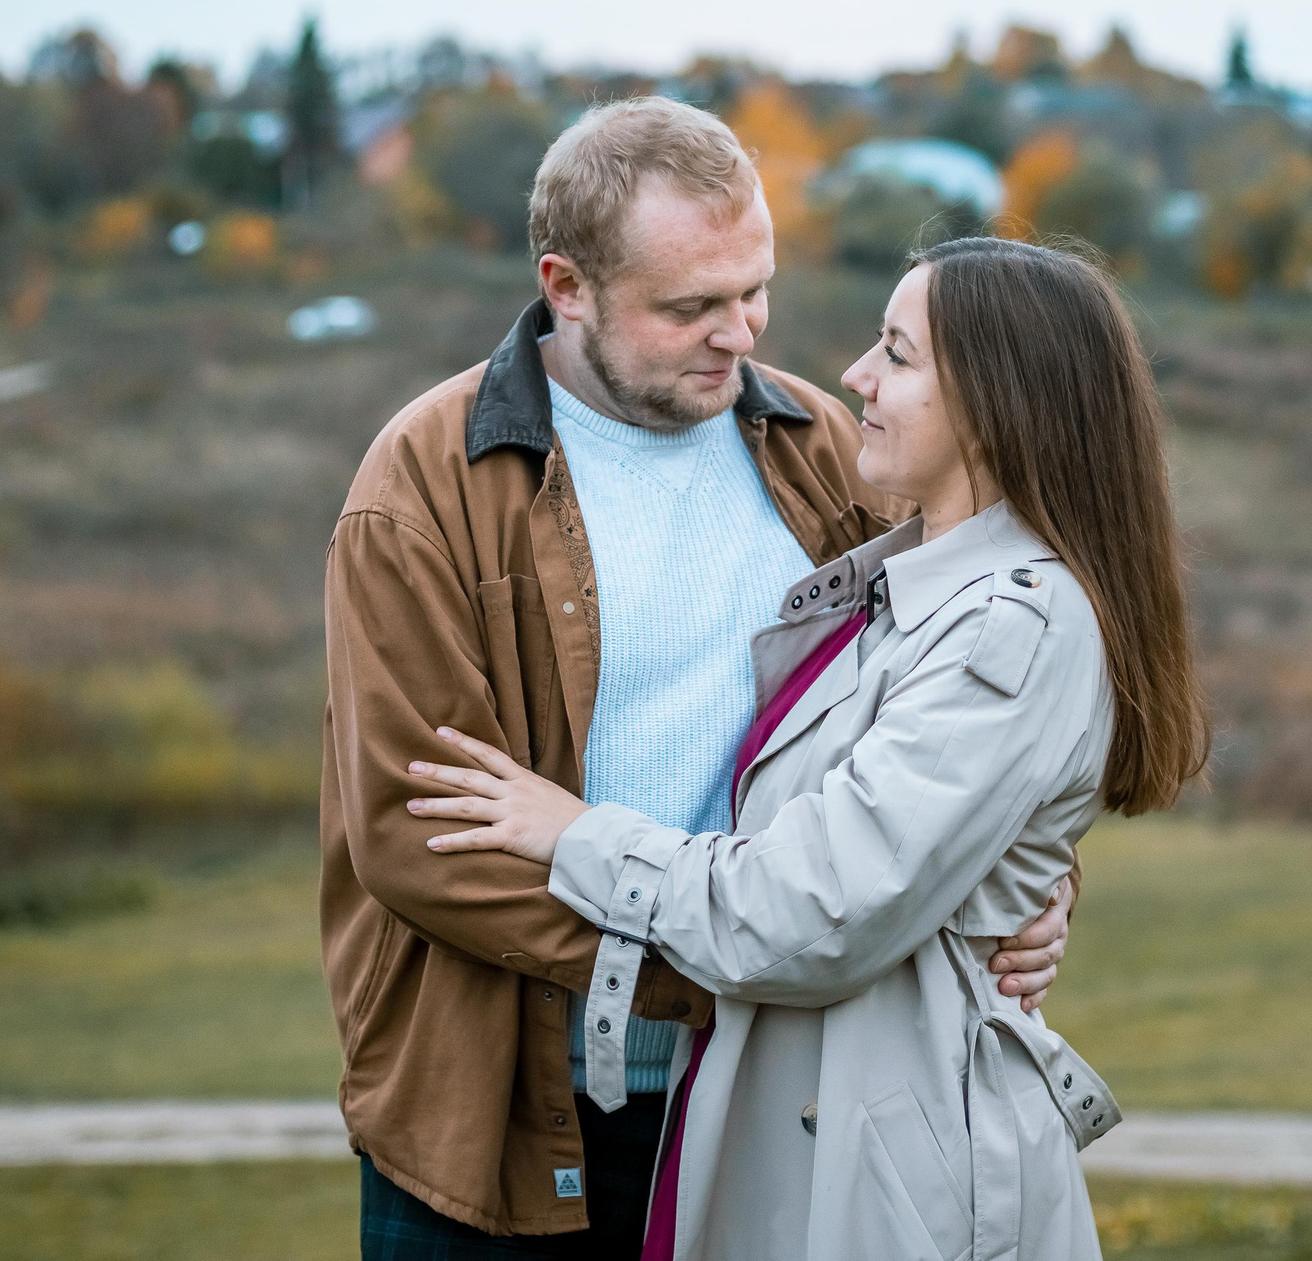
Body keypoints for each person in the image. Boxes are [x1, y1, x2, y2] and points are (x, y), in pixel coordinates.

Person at [319, 98, 1075, 1259]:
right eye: (691, 308)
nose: (741, 333)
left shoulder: (834, 454)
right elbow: (420, 837)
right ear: (566, 287)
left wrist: (1024, 887)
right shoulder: (423, 484)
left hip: (771, 1107)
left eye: (753, 291)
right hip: (497, 1130)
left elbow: (965, 718)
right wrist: (733, 968)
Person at [405, 235, 1209, 1261]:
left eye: (898, 354)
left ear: (1000, 401)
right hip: (821, 1133)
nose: (854, 375)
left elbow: (804, 912)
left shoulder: (1011, 624)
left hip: (886, 1180)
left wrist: (571, 835)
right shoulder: (907, 592)